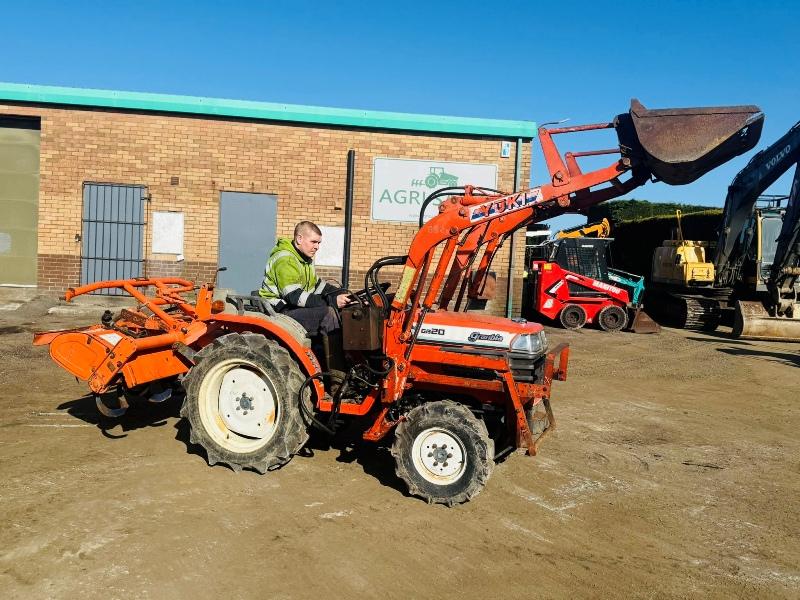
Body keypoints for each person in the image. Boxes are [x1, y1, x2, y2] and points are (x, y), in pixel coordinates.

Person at [259, 221, 350, 337]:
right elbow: (294, 296)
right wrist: (331, 301)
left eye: (318, 243)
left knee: (345, 310)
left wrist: (345, 295)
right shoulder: (286, 260)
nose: (317, 247)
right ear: (299, 239)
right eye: (313, 242)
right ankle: (335, 349)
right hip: (278, 311)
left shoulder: (305, 260)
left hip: (293, 308)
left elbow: (318, 286)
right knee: (329, 313)